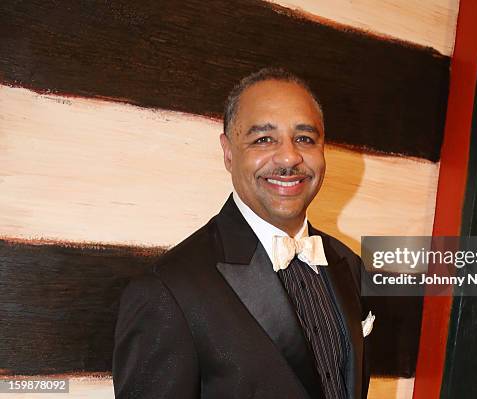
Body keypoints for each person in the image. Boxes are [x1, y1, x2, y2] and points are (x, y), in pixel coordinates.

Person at [112, 68, 372, 399]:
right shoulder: (166, 290)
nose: (290, 156)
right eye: (263, 139)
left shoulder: (348, 264)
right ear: (228, 152)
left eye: (305, 138)